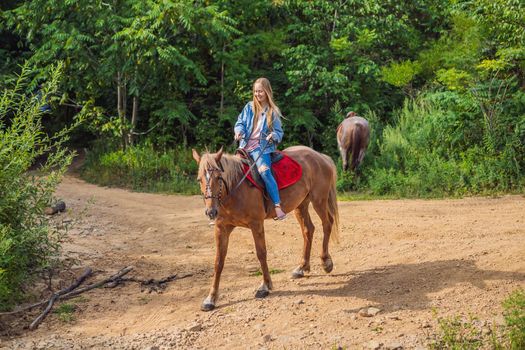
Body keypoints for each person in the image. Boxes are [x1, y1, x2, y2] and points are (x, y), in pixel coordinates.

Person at [234, 77, 286, 220]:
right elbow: (240, 123)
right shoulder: (249, 107)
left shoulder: (273, 111)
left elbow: (279, 132)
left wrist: (273, 135)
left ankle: (277, 207)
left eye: (260, 91)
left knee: (265, 172)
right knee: (230, 172)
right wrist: (238, 131)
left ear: (267, 92)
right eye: (256, 91)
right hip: (244, 146)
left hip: (260, 148)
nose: (257, 94)